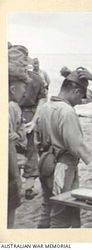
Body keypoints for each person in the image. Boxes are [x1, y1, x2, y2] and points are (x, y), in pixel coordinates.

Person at [35, 69, 92, 228]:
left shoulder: (45, 107)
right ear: (75, 91)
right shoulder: (67, 112)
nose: (80, 101)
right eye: (80, 97)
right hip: (62, 168)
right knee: (61, 213)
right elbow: (76, 145)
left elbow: (37, 138)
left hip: (45, 163)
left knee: (47, 206)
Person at [11, 44, 47, 200]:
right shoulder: (37, 77)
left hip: (19, 113)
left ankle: (18, 185)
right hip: (29, 114)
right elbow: (43, 99)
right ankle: (28, 188)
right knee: (31, 151)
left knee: (16, 150)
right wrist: (34, 120)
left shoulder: (12, 77)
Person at [8, 51, 29, 228]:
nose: (25, 92)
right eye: (23, 87)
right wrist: (17, 179)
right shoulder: (10, 107)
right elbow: (8, 150)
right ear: (13, 88)